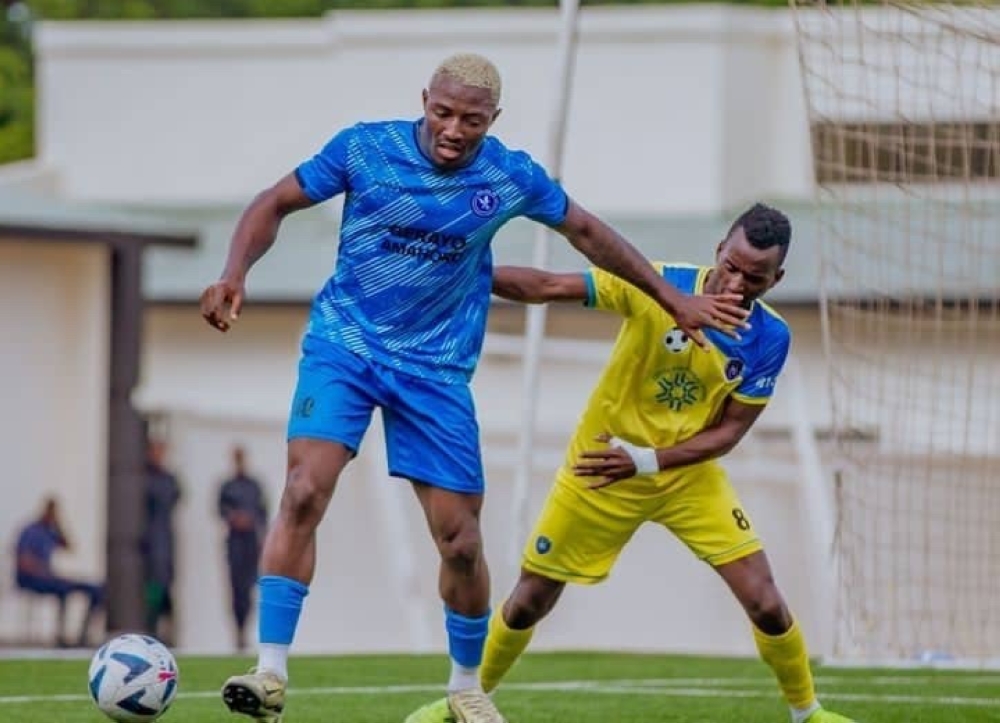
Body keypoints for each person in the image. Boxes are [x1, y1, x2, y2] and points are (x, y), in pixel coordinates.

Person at [199, 52, 748, 723]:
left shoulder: (508, 176)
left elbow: (588, 233)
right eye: (443, 112)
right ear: (423, 99)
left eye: (472, 120)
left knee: (460, 539)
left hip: (435, 370)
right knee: (305, 488)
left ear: (494, 120)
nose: (455, 129)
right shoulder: (364, 148)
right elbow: (274, 202)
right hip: (345, 345)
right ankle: (270, 673)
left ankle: (466, 685)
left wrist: (670, 297)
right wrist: (235, 272)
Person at [405, 203, 857, 723]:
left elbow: (728, 432)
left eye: (753, 278)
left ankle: (808, 713)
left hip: (683, 476)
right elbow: (552, 285)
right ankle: (460, 701)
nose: (734, 284)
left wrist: (646, 460)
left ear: (775, 279)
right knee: (531, 599)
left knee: (766, 601)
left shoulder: (770, 339)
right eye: (730, 266)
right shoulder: (658, 286)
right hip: (600, 467)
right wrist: (456, 275)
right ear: (718, 252)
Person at [14, 497, 104, 647]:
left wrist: (59, 526)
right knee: (62, 588)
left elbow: (68, 546)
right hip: (31, 579)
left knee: (95, 589)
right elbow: (23, 561)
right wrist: (44, 572)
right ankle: (60, 637)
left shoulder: (51, 531)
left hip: (49, 577)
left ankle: (82, 637)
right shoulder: (30, 530)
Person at [218, 445, 269, 652]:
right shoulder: (227, 486)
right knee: (236, 589)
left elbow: (263, 512)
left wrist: (256, 527)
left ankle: (247, 630)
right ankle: (237, 631)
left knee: (249, 588)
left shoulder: (254, 486)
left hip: (251, 543)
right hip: (234, 543)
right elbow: (220, 510)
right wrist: (234, 518)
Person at [142, 438, 181, 645]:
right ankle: (152, 626)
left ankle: (165, 628)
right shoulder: (143, 478)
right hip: (149, 540)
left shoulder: (168, 479)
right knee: (153, 584)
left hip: (164, 538)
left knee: (165, 581)